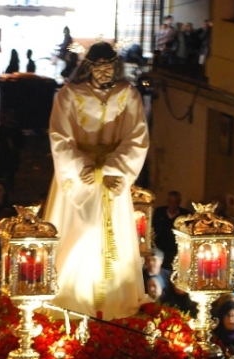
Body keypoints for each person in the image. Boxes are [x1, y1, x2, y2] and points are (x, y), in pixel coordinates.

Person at [44, 41, 149, 321]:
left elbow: (136, 138)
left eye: (109, 68)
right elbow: (60, 138)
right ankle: (72, 299)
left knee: (113, 237)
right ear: (88, 68)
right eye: (99, 68)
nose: (104, 74)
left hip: (114, 179)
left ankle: (115, 302)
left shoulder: (128, 95)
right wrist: (87, 169)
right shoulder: (69, 96)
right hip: (79, 179)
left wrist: (113, 171)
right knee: (81, 233)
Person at [152, 191, 187, 272]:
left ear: (179, 203)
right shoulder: (158, 213)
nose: (173, 205)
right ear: (167, 202)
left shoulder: (185, 216)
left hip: (177, 251)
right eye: (170, 202)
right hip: (159, 250)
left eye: (176, 202)